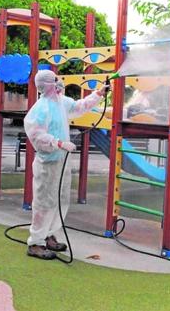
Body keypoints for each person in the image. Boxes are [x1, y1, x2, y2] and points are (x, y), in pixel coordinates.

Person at [23, 69, 108, 259]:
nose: (59, 82)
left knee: (60, 199)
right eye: (55, 80)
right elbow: (36, 135)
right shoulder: (40, 108)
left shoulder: (61, 102)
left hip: (62, 160)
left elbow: (80, 106)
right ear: (46, 85)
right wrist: (58, 143)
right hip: (47, 162)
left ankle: (49, 235)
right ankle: (35, 243)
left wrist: (98, 94)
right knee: (44, 202)